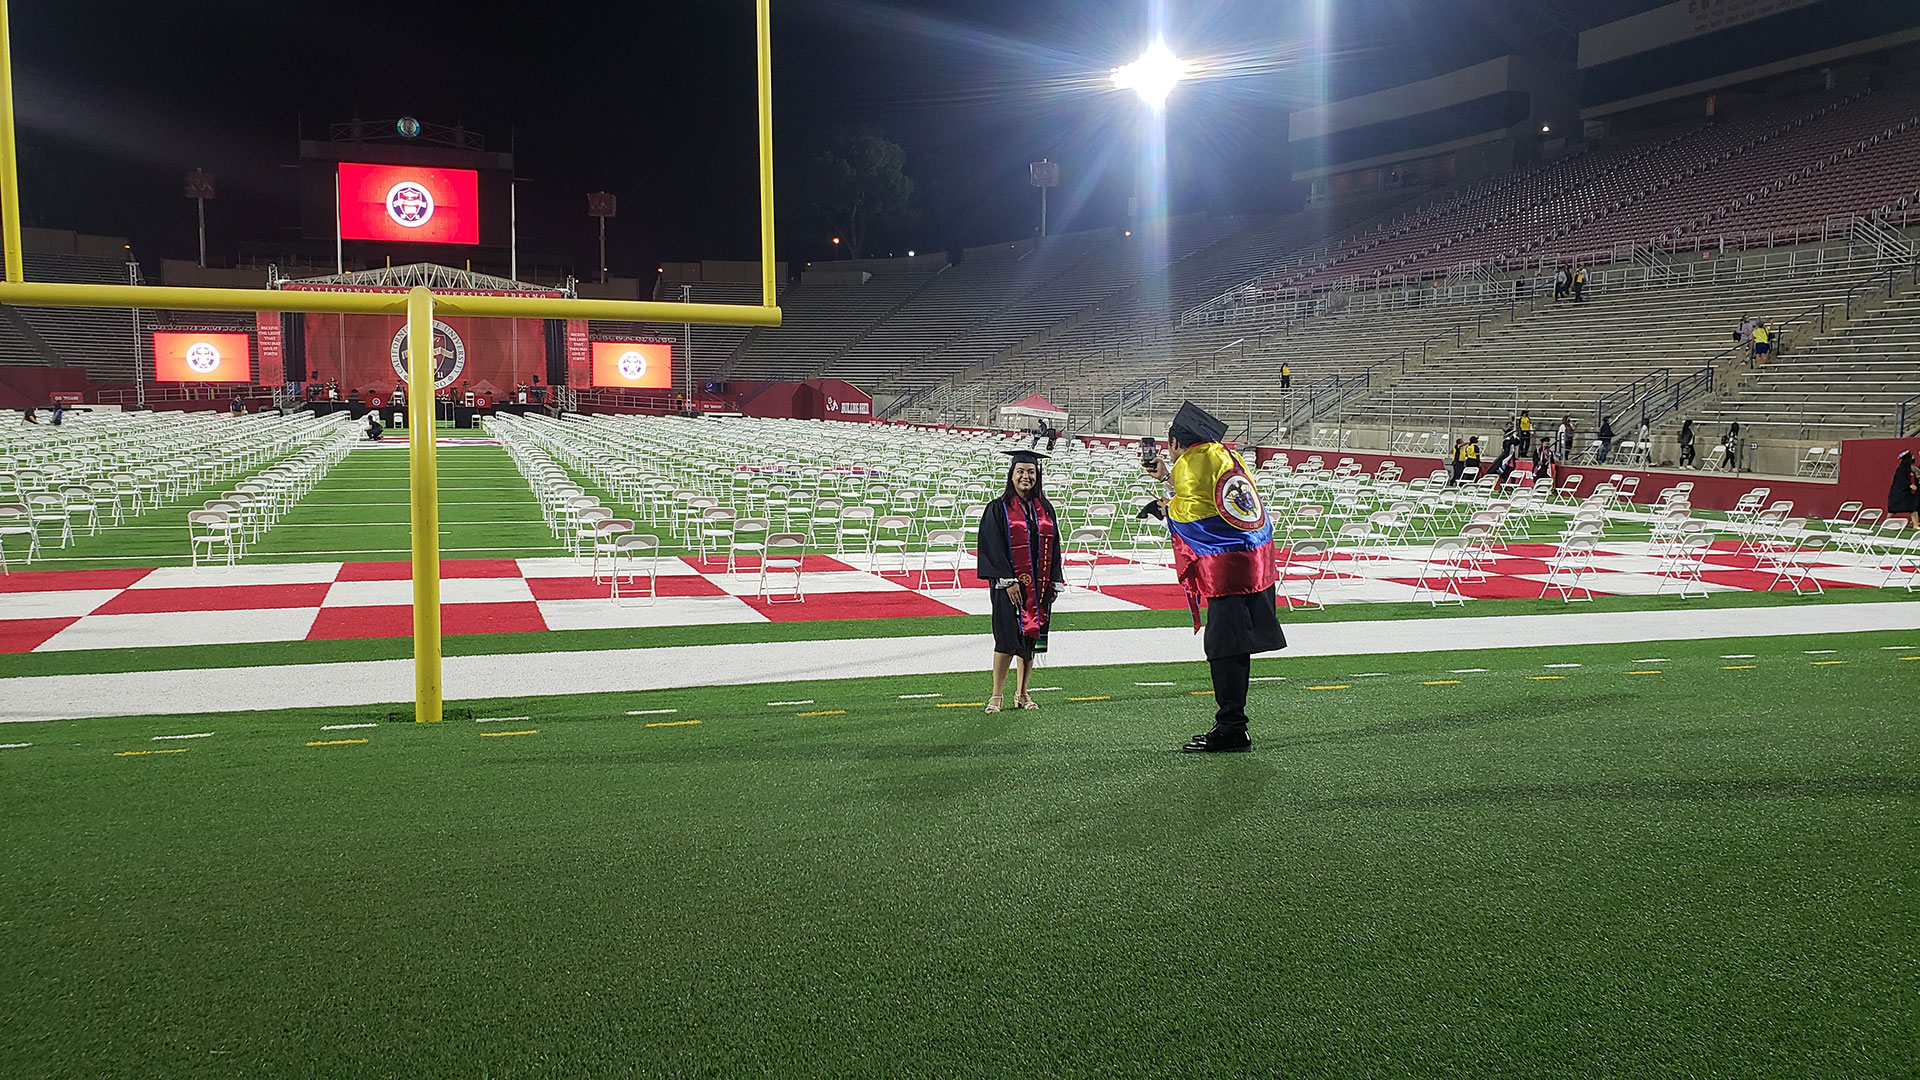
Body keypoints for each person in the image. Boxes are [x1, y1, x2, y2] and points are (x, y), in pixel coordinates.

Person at [1144, 401, 1282, 753]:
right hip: (1255, 562)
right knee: (1235, 647)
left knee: (1223, 649)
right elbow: (1209, 496)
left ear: (1176, 442)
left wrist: (1164, 507)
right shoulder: (1222, 454)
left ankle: (1232, 727)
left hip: (1228, 571)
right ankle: (1233, 722)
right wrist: (1165, 477)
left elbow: (1191, 514)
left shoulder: (1190, 461)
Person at [976, 449, 1063, 714]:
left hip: (1038, 588)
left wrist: (1053, 581)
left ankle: (1023, 694)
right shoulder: (998, 508)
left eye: (1031, 472)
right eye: (1021, 472)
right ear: (1011, 475)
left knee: (1030, 641)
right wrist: (1008, 579)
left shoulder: (1045, 510)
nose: (1026, 476)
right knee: (1006, 639)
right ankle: (996, 695)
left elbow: (1055, 547)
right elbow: (992, 546)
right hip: (1008, 589)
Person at [1890, 449, 1919, 528]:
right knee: (1893, 510)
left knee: (1913, 508)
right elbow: (1901, 480)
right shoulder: (1901, 469)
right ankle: (1886, 522)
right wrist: (1909, 485)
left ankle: (1915, 525)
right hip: (1900, 493)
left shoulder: (1910, 468)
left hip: (1909, 494)